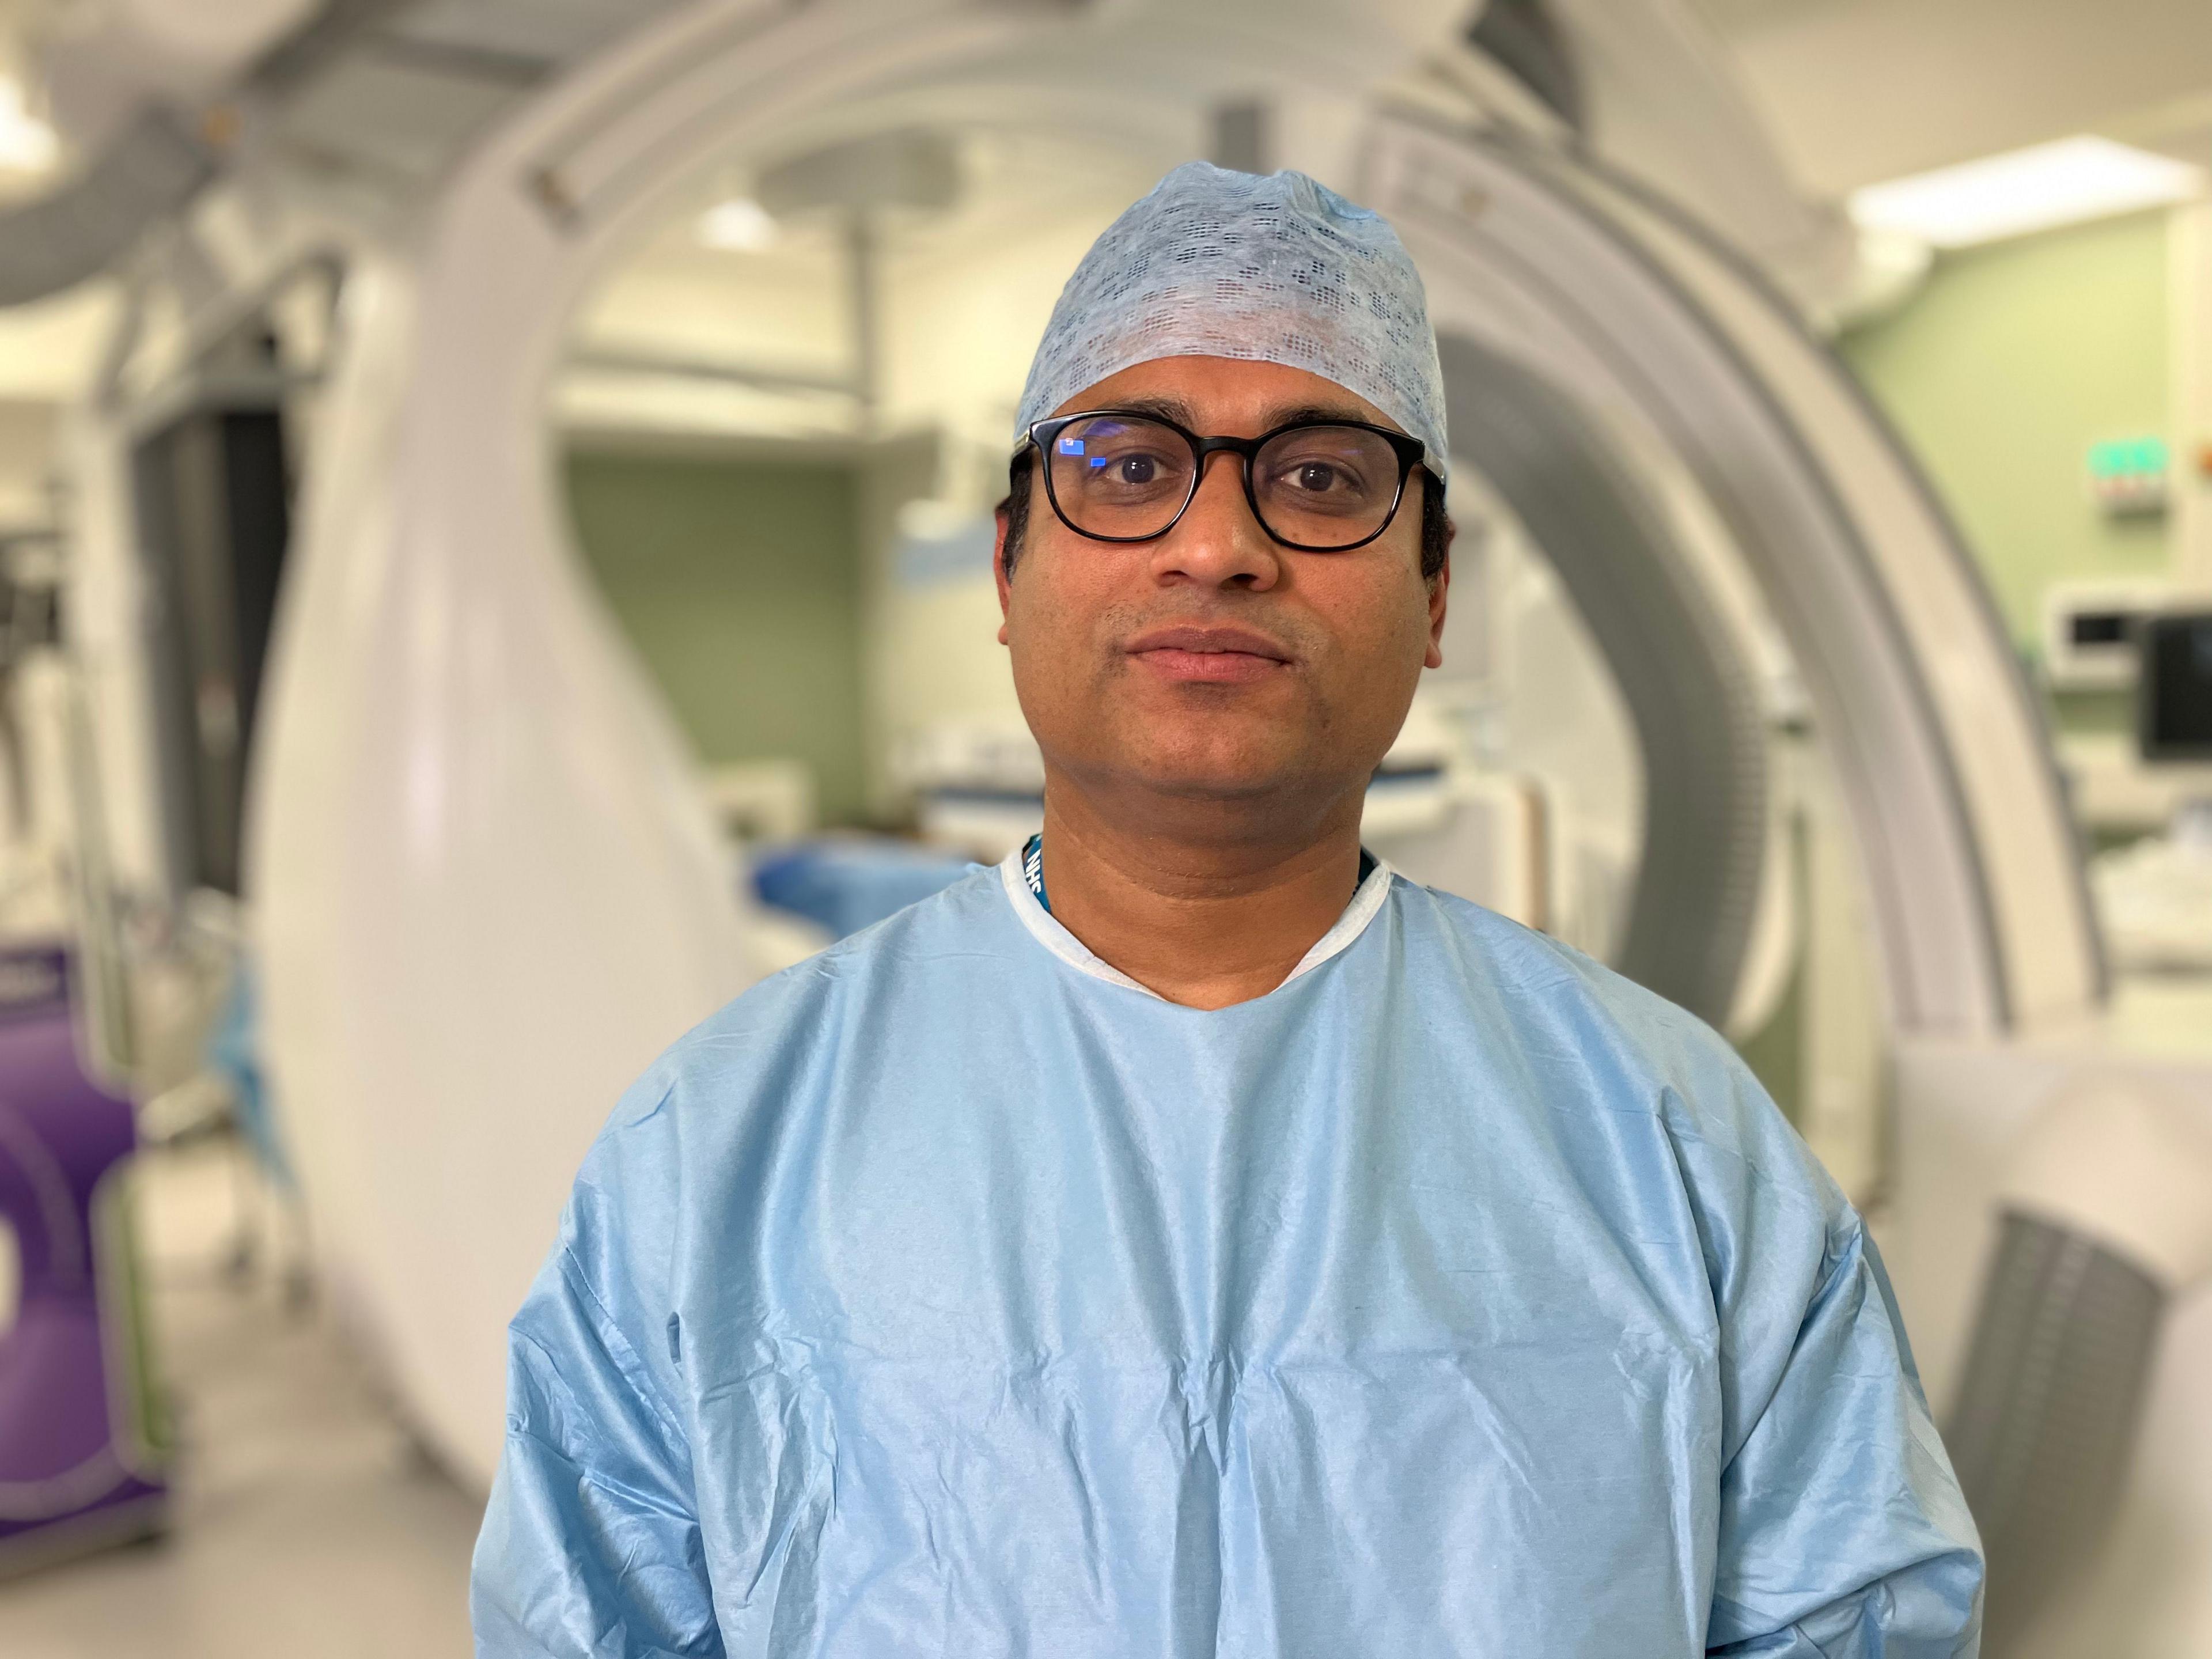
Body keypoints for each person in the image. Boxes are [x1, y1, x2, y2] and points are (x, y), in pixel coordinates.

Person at [471, 162, 1983, 1657]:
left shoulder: (1679, 1146)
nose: (1216, 546)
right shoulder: (719, 1152)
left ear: (1436, 589)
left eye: (1320, 477)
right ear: (1010, 565)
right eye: (1128, 467)